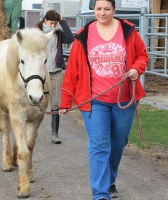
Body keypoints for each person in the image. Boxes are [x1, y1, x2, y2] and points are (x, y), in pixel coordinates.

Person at [59, 0, 148, 199]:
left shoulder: (128, 31)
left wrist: (136, 68)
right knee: (99, 144)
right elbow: (72, 70)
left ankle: (109, 180)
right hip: (94, 100)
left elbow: (142, 55)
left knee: (118, 142)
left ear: (114, 10)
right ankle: (100, 194)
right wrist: (65, 101)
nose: (103, 13)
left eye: (107, 9)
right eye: (99, 8)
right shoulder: (83, 34)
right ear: (94, 10)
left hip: (124, 99)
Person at [36, 10, 74, 144]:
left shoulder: (58, 32)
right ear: (45, 20)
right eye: (51, 23)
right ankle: (34, 129)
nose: (53, 26)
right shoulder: (37, 32)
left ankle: (54, 134)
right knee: (38, 99)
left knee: (56, 101)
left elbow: (70, 38)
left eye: (55, 23)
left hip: (56, 69)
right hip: (41, 71)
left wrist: (62, 22)